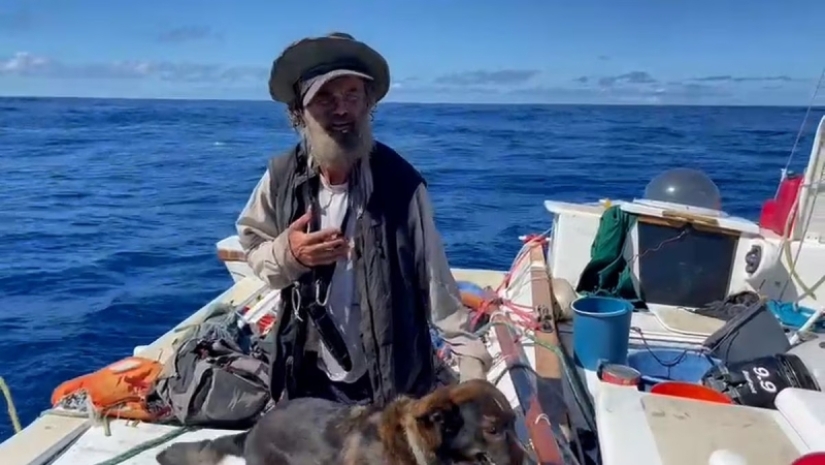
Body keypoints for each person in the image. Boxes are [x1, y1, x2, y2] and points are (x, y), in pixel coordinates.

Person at [235, 32, 492, 407]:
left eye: (352, 95)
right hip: (306, 372)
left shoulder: (402, 184)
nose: (341, 109)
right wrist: (289, 253)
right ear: (299, 112)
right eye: (324, 97)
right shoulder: (280, 177)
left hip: (389, 378)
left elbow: (435, 279)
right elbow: (254, 248)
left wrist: (471, 366)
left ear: (367, 104)